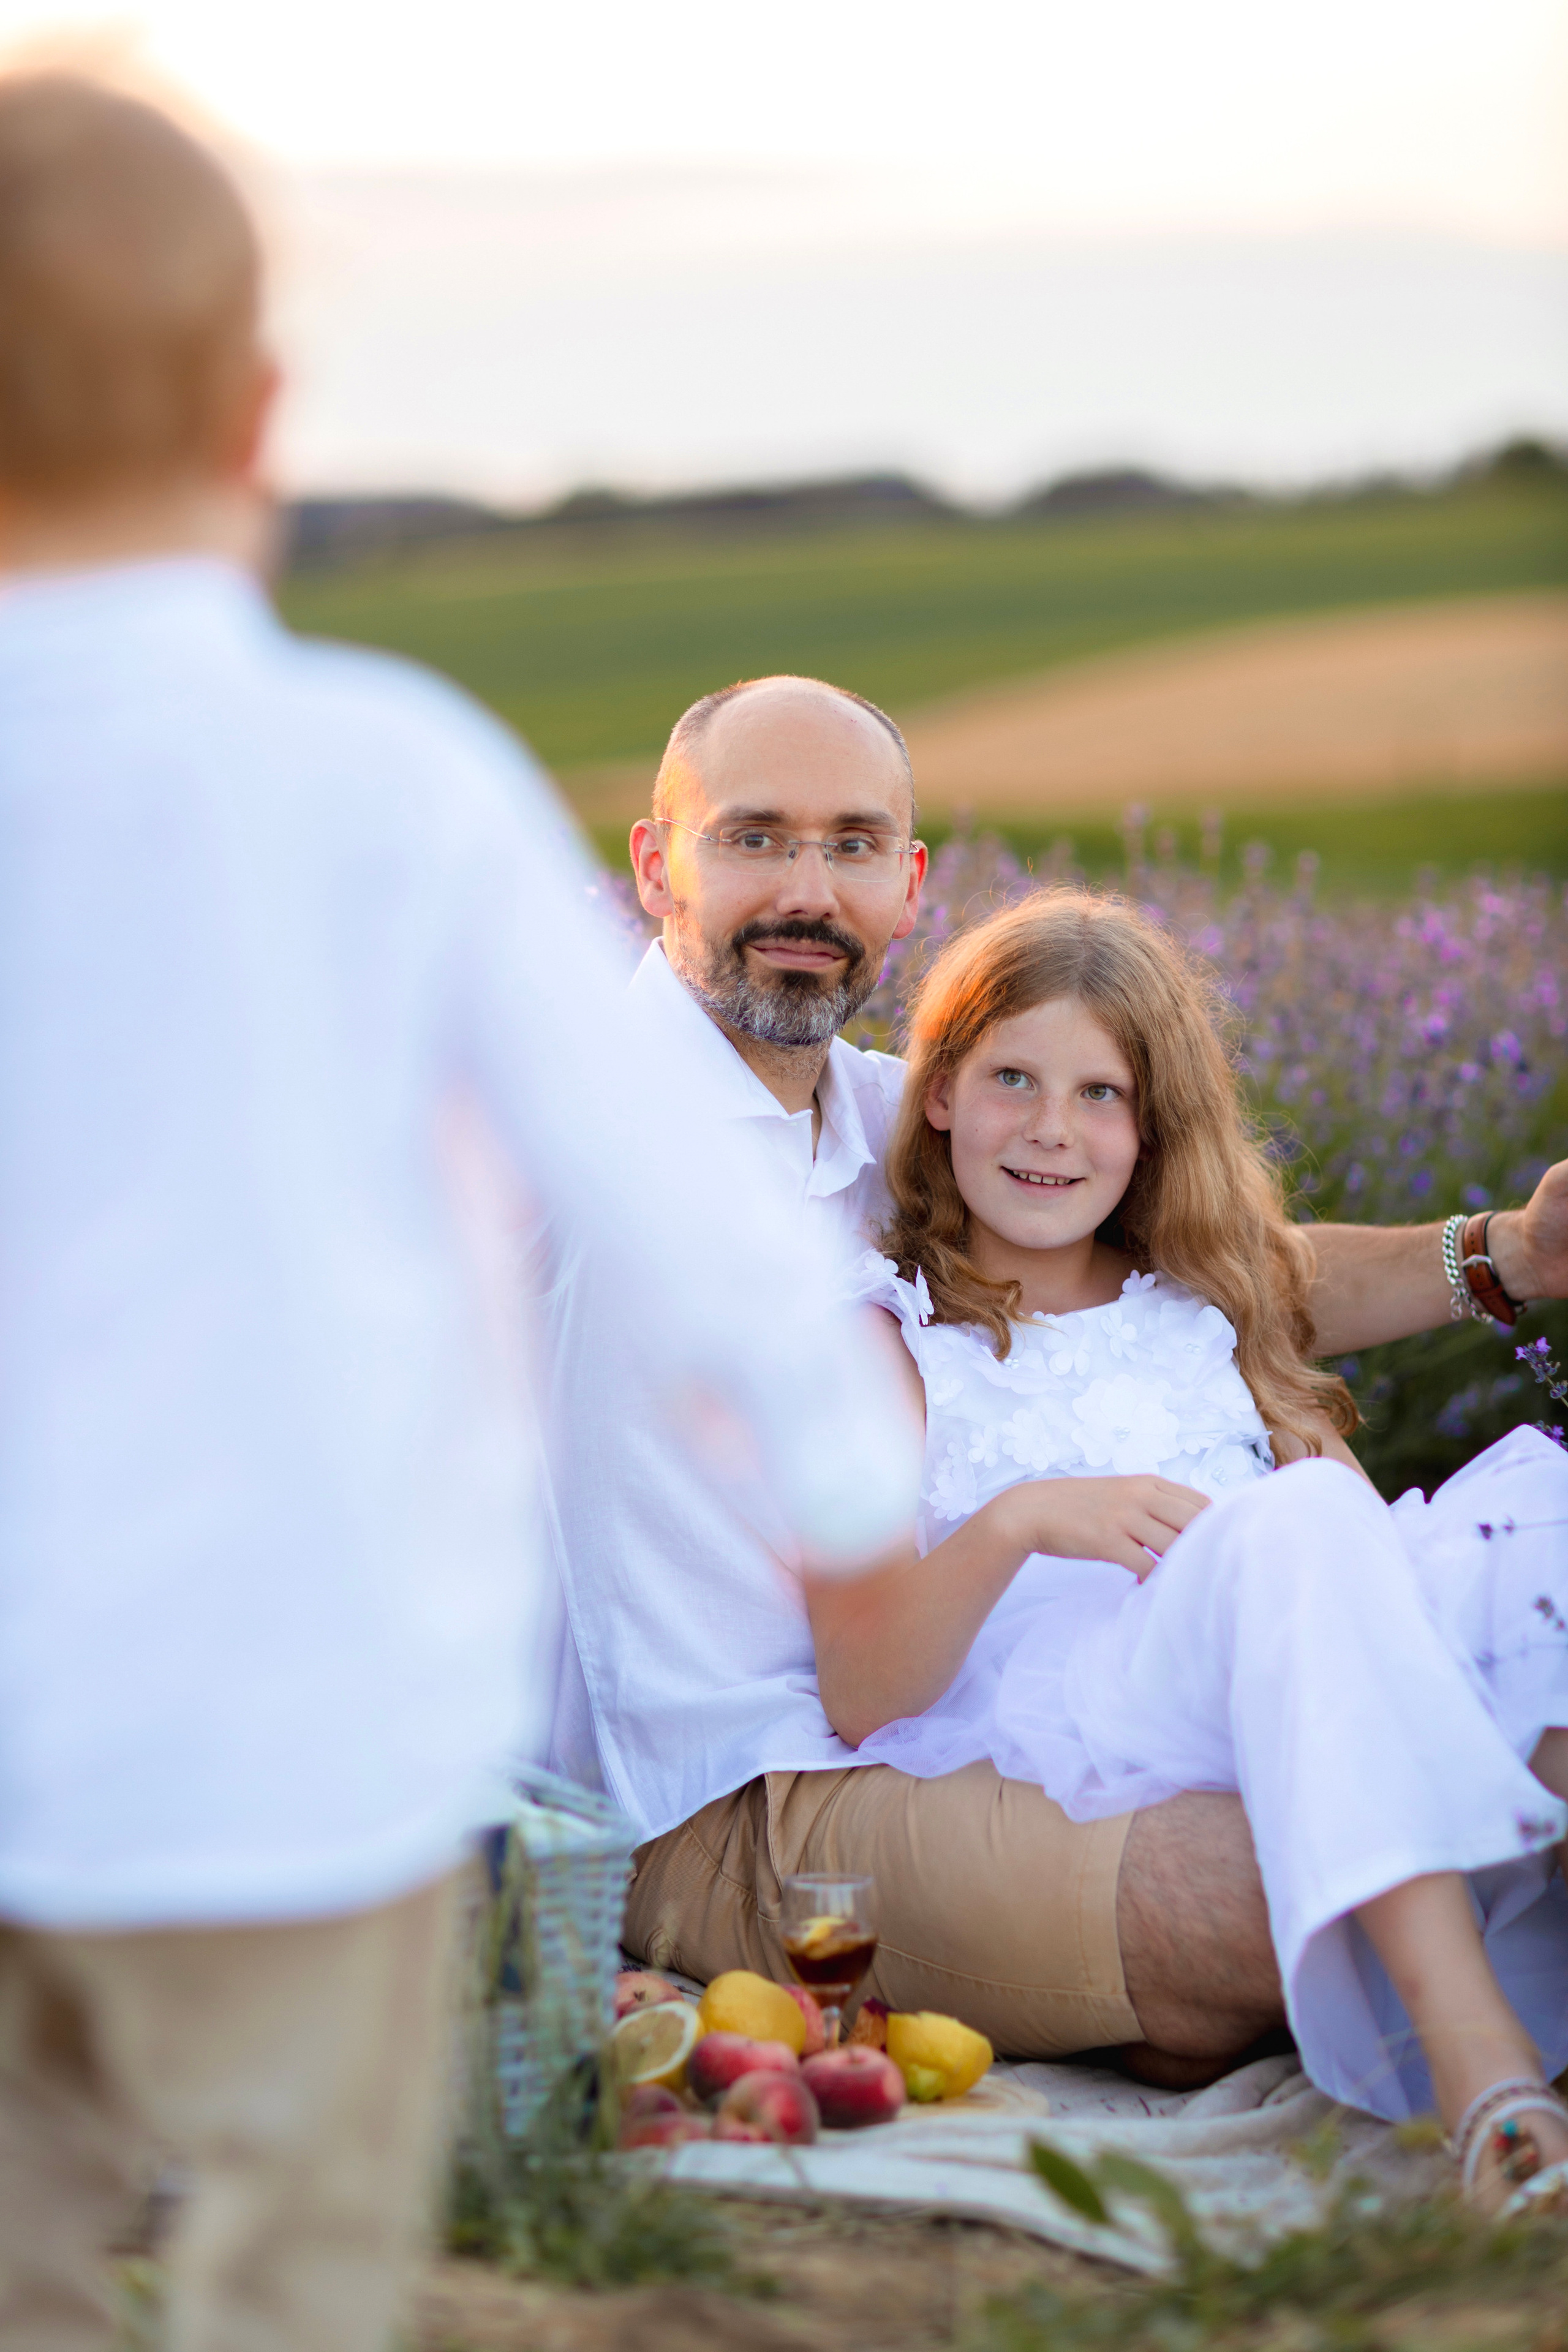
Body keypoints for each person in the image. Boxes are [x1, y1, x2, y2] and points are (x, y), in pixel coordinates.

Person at [0, 81, 917, 2352]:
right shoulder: (390, 785)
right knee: (296, 2277)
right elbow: (670, 1175)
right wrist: (844, 1472)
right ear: (264, 410)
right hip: (302, 1769)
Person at [572, 670, 1568, 2082]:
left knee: (1429, 1728)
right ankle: (1468, 2071)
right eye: (753, 838)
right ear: (656, 861)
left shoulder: (877, 1109)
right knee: (1290, 1876)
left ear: (907, 883)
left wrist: (1507, 1256)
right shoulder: (561, 1139)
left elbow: (1218, 1273)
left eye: (850, 845)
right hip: (724, 1785)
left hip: (1017, 1704)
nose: (805, 887)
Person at [836, 888, 1568, 2213]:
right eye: (1011, 1078)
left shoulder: (1196, 1304)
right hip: (1094, 1706)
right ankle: (1487, 2085)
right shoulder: (897, 1343)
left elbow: (1332, 1426)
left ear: (1150, 1127)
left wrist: (1512, 1248)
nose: (1052, 1131)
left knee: (1538, 1545)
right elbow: (861, 1682)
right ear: (936, 1094)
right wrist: (1020, 1522)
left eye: (1099, 1094)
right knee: (1292, 1521)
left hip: (1297, 1658)